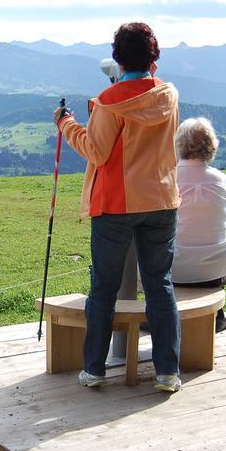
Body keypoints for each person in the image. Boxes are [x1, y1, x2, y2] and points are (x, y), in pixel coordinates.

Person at [53, 22, 183, 393]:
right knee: (160, 284)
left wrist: (66, 123)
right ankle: (167, 372)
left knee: (104, 286)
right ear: (153, 56)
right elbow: (148, 85)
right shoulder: (168, 95)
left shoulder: (110, 102)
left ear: (117, 58)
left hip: (116, 204)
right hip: (161, 199)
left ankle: (94, 368)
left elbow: (95, 150)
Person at [171, 117, 226, 332]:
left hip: (172, 271)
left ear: (179, 145)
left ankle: (162, 314)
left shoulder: (168, 178)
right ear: (211, 146)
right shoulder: (221, 179)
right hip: (218, 270)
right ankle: (216, 314)